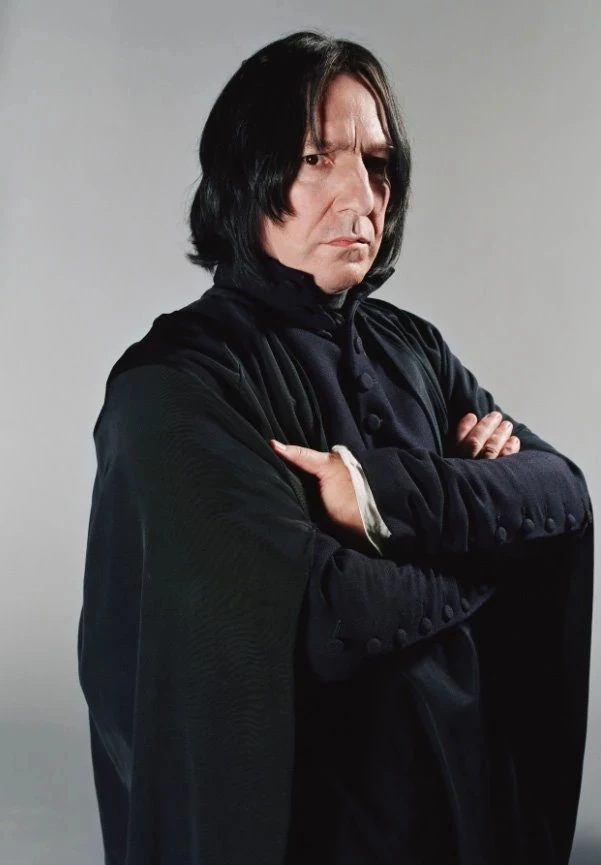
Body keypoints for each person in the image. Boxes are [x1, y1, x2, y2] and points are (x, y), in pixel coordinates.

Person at [78, 30, 594, 865]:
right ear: (247, 175)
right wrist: (492, 542)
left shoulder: (412, 347)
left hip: (462, 812)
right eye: (316, 158)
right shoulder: (171, 384)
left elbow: (563, 493)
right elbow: (326, 614)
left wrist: (382, 499)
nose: (361, 195)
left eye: (377, 164)